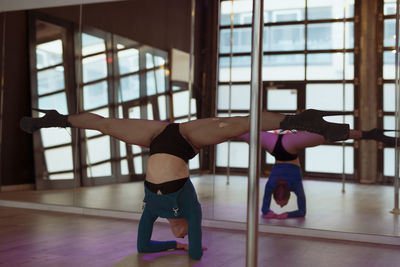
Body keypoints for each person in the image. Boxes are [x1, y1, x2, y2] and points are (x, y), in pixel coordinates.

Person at [19, 108, 350, 260]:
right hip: (186, 140)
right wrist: (183, 246)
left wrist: (168, 246)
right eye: (181, 234)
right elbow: (194, 253)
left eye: (177, 234)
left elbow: (143, 247)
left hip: (154, 139)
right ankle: (299, 121)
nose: (179, 233)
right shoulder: (190, 211)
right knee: (233, 124)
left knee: (105, 126)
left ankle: (58, 120)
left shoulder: (153, 211)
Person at [239, 128, 398, 220]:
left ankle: (370, 135)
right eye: (282, 205)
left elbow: (301, 212)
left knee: (327, 137)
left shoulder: (295, 186)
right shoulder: (271, 185)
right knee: (327, 136)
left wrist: (284, 215)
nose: (280, 206)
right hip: (275, 144)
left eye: (281, 203)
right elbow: (265, 212)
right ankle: (369, 134)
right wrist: (273, 213)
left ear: (288, 196)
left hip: (286, 145)